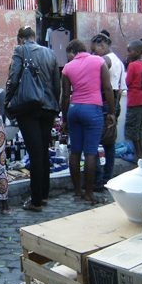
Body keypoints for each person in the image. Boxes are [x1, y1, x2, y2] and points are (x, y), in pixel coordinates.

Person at [5, 26, 60, 212]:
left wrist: (7, 101)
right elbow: (56, 82)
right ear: (34, 37)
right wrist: (55, 105)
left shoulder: (20, 50)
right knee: (43, 151)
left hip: (29, 107)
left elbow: (13, 78)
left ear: (20, 39)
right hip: (48, 107)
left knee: (35, 153)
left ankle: (36, 200)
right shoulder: (50, 53)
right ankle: (44, 194)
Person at [61, 39, 115, 204]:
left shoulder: (67, 67)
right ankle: (89, 193)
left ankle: (77, 191)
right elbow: (107, 88)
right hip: (93, 109)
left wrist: (64, 118)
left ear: (74, 51)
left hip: (74, 109)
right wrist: (112, 112)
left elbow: (65, 95)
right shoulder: (99, 61)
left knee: (75, 152)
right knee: (90, 153)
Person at [90, 31, 125, 190]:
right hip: (113, 103)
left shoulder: (105, 60)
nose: (92, 53)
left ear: (102, 45)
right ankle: (107, 177)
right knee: (109, 142)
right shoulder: (118, 60)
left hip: (104, 102)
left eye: (94, 49)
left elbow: (100, 81)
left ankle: (98, 179)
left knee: (95, 141)